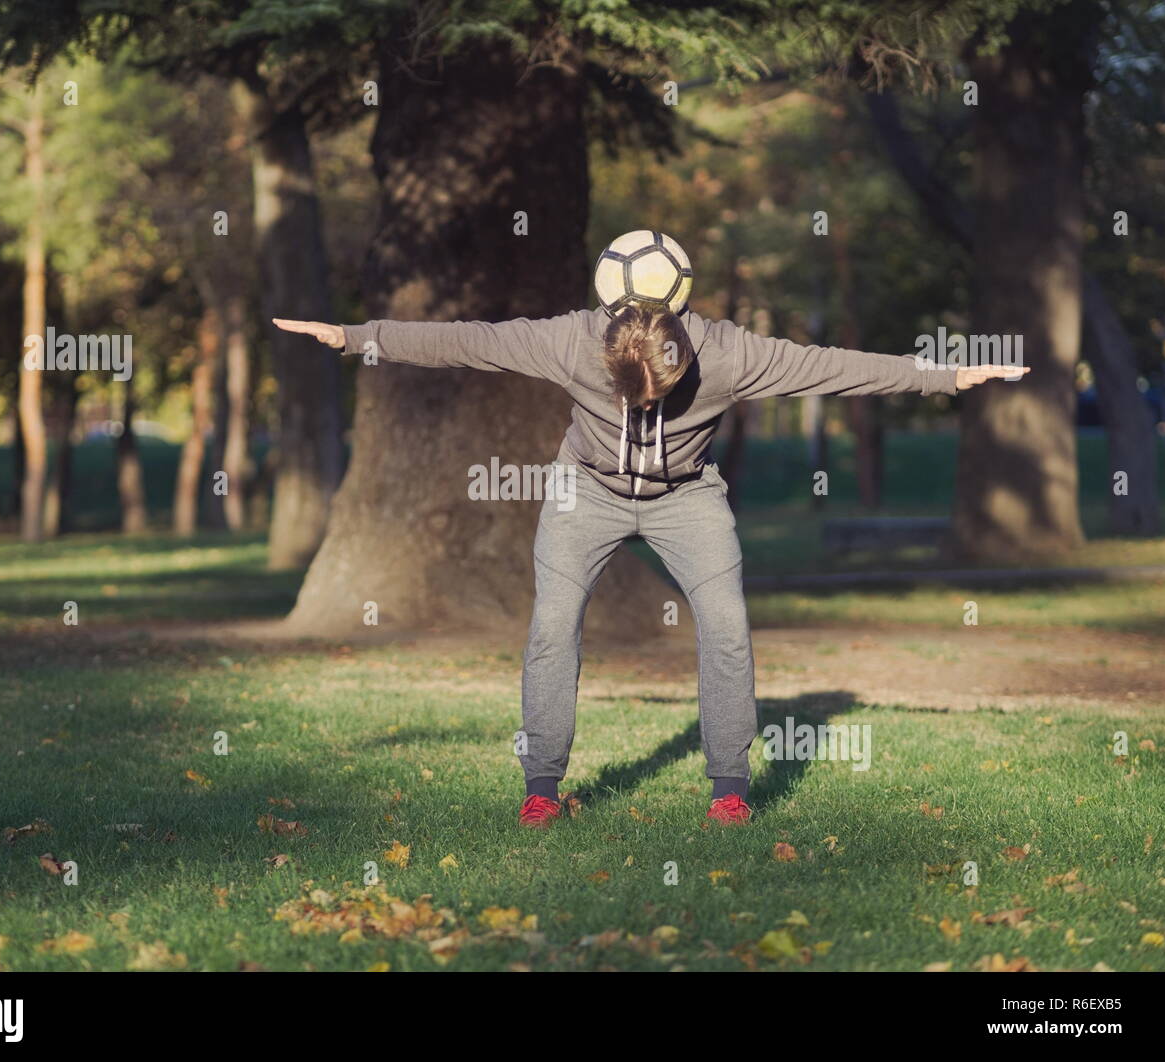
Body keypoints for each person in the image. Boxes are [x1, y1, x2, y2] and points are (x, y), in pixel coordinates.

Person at [274, 306, 1026, 828]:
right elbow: (468, 340)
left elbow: (831, 365)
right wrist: (353, 335)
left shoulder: (730, 352)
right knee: (552, 626)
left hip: (686, 498)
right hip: (585, 493)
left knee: (727, 625)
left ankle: (729, 791)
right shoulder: (568, 340)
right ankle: (542, 790)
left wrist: (946, 376)